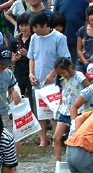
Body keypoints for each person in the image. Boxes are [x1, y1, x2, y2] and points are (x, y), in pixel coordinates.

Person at [28, 12, 70, 147]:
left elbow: (63, 59)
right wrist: (31, 74)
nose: (35, 30)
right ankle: (42, 139)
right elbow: (32, 58)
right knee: (40, 112)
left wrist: (53, 74)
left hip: (54, 82)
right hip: (38, 80)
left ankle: (55, 138)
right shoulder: (34, 38)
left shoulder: (59, 38)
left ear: (45, 25)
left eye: (37, 27)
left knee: (54, 110)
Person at [51, 57, 89, 161]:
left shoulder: (79, 76)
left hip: (78, 112)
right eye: (60, 74)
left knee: (75, 138)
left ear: (70, 67)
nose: (62, 76)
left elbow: (89, 90)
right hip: (64, 111)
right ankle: (57, 161)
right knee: (56, 137)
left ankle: (74, 160)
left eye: (63, 73)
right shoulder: (62, 79)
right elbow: (63, 93)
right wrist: (58, 107)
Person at [53, 0, 89, 64]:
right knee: (60, 66)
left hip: (77, 41)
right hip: (60, 40)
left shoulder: (84, 2)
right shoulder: (59, 1)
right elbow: (54, 20)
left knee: (76, 67)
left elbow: (87, 22)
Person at [10, 12, 33, 103]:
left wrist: (27, 54)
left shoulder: (34, 39)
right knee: (19, 96)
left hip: (31, 72)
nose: (23, 28)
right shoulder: (15, 39)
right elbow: (10, 58)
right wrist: (14, 60)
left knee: (32, 97)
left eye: (26, 25)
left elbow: (37, 57)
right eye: (21, 25)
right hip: (18, 72)